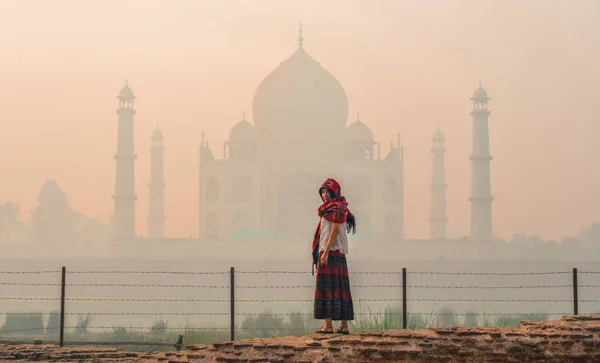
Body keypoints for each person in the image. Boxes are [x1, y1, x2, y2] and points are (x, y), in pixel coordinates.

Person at [311, 177, 356, 334]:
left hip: (331, 252)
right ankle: (343, 326)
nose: (325, 195)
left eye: (327, 191)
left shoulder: (336, 208)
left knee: (328, 288)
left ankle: (329, 326)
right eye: (322, 192)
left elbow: (334, 231)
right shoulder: (334, 208)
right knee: (339, 288)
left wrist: (326, 251)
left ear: (334, 192)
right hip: (335, 253)